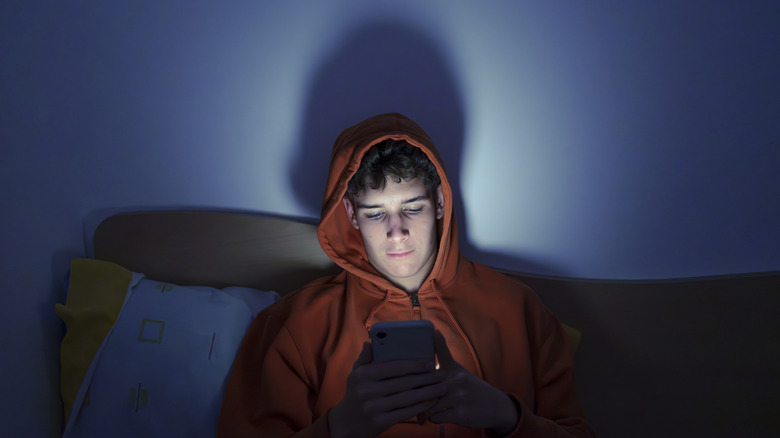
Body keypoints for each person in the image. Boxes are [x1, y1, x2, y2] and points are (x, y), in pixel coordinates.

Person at [218, 113, 595, 437]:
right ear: (350, 214)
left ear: (440, 202)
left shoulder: (520, 308)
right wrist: (340, 427)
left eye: (412, 207)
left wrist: (507, 417)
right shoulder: (294, 325)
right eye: (376, 213)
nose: (396, 231)